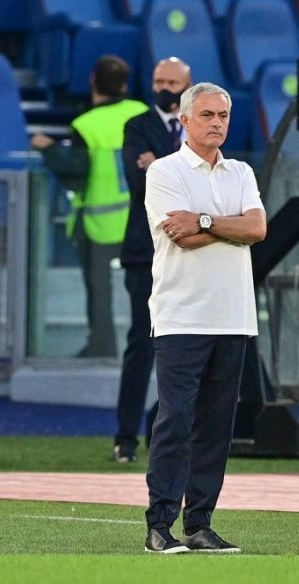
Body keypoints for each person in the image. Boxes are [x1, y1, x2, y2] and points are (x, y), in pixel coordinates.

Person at [142, 82, 267, 554]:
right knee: (176, 418)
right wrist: (222, 227)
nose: (217, 123)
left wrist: (206, 220)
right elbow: (182, 238)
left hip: (233, 315)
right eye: (208, 115)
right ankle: (159, 524)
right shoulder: (164, 171)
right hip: (182, 315)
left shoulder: (240, 171)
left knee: (216, 423)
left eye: (224, 116)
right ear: (186, 119)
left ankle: (200, 523)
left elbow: (256, 228)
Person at [31, 55, 148, 358]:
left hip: (99, 224)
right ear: (124, 83)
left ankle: (102, 346)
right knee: (147, 288)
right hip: (140, 220)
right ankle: (149, 346)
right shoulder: (143, 113)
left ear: (93, 82)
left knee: (100, 291)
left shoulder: (85, 125)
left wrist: (49, 148)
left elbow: (76, 170)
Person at [113, 57, 192, 464]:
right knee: (141, 342)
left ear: (186, 85)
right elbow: (140, 181)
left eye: (172, 82)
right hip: (145, 251)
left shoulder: (198, 127)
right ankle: (124, 437)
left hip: (190, 250)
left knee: (182, 347)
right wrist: (175, 167)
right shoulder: (137, 124)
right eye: (159, 80)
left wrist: (157, 163)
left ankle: (167, 432)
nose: (164, 87)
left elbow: (185, 183)